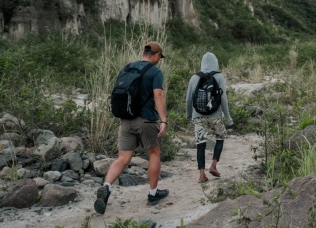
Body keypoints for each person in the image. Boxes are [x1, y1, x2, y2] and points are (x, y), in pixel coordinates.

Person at [95, 41, 170, 214]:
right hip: (146, 120)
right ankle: (153, 194)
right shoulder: (155, 71)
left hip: (126, 119)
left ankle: (106, 186)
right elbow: (158, 95)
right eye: (160, 57)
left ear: (144, 53)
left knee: (123, 158)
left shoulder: (127, 68)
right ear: (157, 55)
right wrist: (164, 120)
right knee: (154, 153)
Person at [186, 51, 234, 183]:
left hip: (198, 116)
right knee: (220, 138)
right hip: (215, 115)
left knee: (200, 143)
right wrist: (228, 118)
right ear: (216, 62)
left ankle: (202, 175)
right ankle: (213, 165)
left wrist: (189, 114)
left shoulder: (194, 77)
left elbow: (189, 99)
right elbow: (223, 98)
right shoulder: (219, 76)